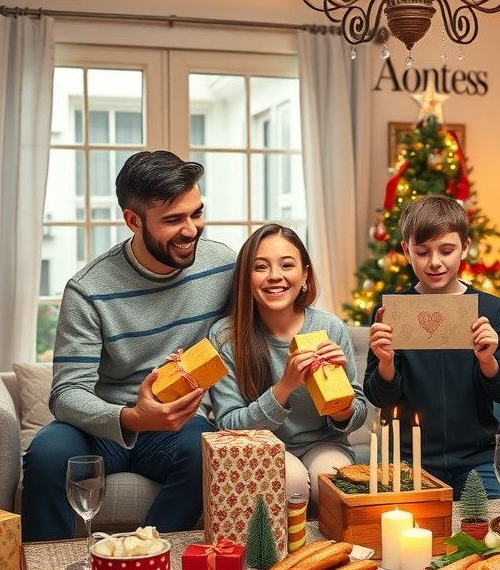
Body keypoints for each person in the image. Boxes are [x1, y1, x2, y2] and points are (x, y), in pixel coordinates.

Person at [22, 150, 235, 542]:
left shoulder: (222, 266)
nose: (191, 230)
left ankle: (150, 558)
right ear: (133, 221)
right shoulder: (88, 289)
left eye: (196, 213)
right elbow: (67, 393)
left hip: (179, 425)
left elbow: (270, 317)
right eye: (173, 220)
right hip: (104, 423)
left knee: (205, 451)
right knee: (47, 454)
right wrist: (134, 416)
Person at [364, 195, 500, 497]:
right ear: (406, 252)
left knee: (488, 530)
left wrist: (489, 362)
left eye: (446, 250)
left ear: (465, 247)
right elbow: (378, 396)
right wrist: (385, 362)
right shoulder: (392, 311)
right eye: (422, 252)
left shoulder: (488, 308)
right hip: (409, 461)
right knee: (406, 536)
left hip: (477, 460)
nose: (434, 262)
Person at [208, 224, 368, 509]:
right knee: (291, 480)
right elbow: (229, 426)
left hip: (324, 443)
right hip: (260, 447)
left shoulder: (328, 327)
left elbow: (356, 416)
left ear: (304, 274)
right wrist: (285, 386)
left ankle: (327, 552)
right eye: (261, 267)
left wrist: (339, 395)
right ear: (246, 277)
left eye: (287, 265)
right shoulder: (225, 336)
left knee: (331, 480)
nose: (275, 276)